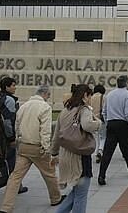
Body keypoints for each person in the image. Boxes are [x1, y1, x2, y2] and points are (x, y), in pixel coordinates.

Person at [0, 85, 65, 213]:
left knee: (15, 177)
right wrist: (47, 148)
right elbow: (45, 130)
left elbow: (17, 125)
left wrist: (18, 140)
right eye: (49, 95)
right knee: (49, 173)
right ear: (45, 94)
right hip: (37, 147)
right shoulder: (45, 107)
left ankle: (6, 207)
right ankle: (55, 198)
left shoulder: (24, 106)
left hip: (23, 146)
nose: (49, 98)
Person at [51, 84, 100, 213]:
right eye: (90, 96)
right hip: (80, 157)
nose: (90, 99)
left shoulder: (65, 110)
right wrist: (98, 123)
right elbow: (87, 125)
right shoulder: (84, 109)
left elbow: (56, 135)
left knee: (76, 192)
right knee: (81, 194)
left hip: (65, 155)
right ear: (85, 95)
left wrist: (54, 153)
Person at [97, 75, 128, 186]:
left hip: (111, 123)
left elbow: (104, 111)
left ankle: (101, 175)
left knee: (108, 151)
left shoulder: (110, 94)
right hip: (123, 123)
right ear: (126, 83)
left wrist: (107, 121)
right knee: (126, 149)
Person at [0, 77, 28, 195]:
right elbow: (9, 120)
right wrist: (11, 138)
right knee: (13, 163)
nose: (15, 87)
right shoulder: (9, 100)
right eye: (13, 85)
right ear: (7, 87)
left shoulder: (0, 98)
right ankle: (16, 187)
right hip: (7, 137)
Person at [90, 84, 106, 163]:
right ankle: (100, 151)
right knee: (103, 137)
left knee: (96, 138)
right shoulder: (103, 97)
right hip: (101, 120)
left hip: (93, 120)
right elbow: (105, 109)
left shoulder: (91, 98)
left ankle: (96, 154)